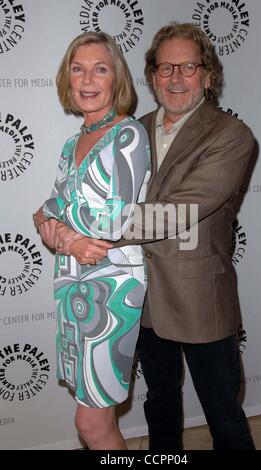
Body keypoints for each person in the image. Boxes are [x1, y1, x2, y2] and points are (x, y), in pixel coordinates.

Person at [47, 22, 256, 450]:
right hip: (138, 298)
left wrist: (76, 235)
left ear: (209, 75)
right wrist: (54, 222)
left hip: (199, 299)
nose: (175, 78)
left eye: (188, 67)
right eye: (164, 68)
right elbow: (66, 197)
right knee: (159, 406)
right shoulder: (129, 129)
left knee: (223, 415)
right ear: (151, 76)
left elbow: (177, 212)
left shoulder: (231, 136)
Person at [33, 31, 150, 450]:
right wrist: (60, 227)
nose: (87, 79)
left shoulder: (128, 135)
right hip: (72, 282)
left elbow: (112, 220)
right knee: (95, 417)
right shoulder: (70, 145)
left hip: (112, 286)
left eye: (100, 69)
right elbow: (49, 206)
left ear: (116, 78)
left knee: (91, 424)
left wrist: (57, 224)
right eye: (78, 68)